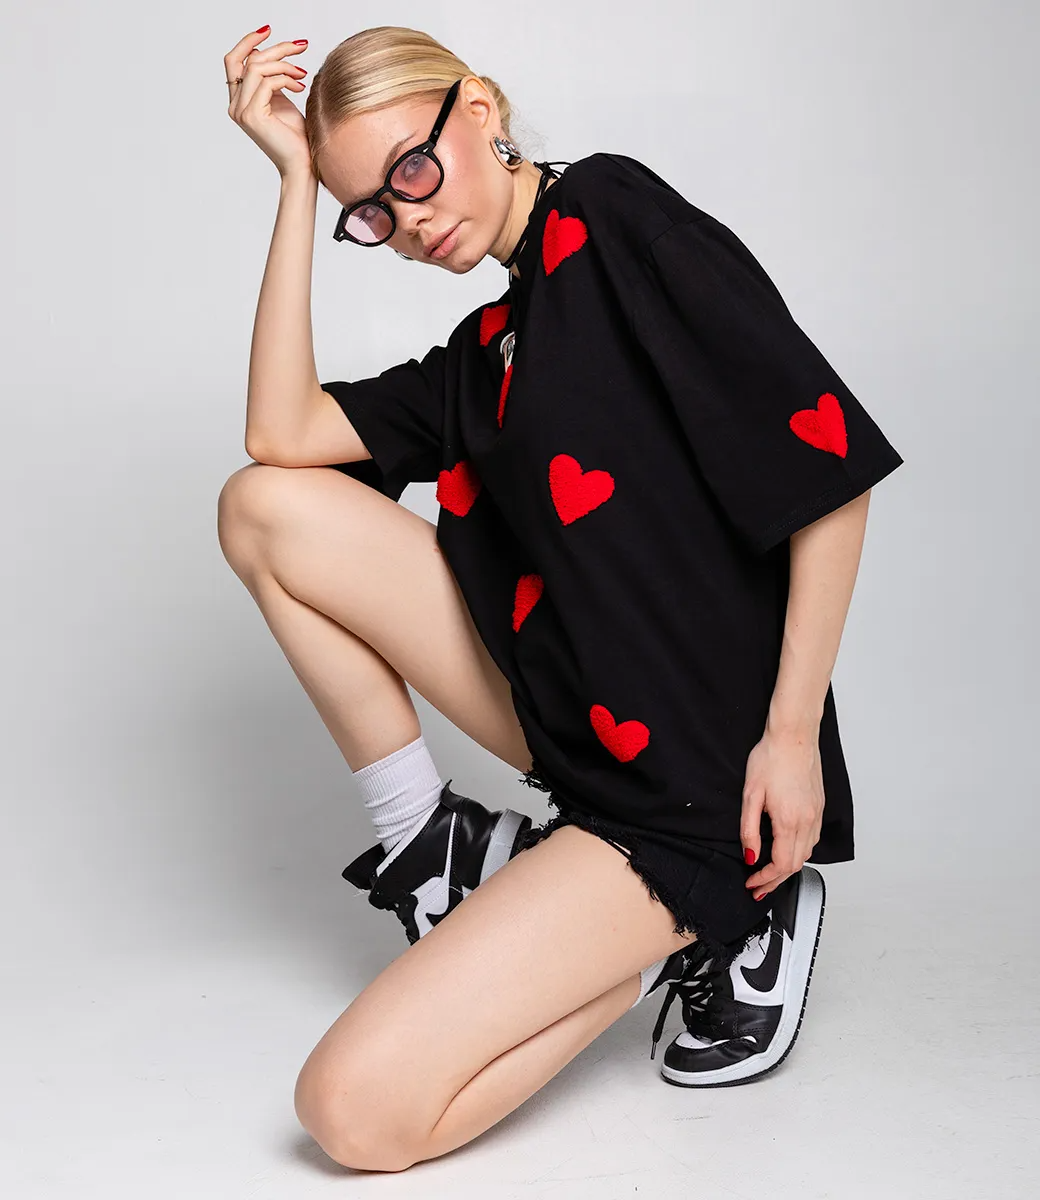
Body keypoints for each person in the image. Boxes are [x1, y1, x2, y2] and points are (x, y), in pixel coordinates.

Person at [218, 22, 904, 1172]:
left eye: (412, 170)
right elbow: (278, 433)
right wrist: (293, 181)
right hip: (580, 733)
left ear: (479, 110)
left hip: (696, 783)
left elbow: (824, 467)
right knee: (263, 506)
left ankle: (718, 914)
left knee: (353, 1113)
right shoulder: (486, 348)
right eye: (369, 212)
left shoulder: (612, 214)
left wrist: (790, 740)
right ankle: (429, 843)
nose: (405, 219)